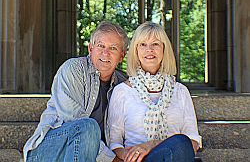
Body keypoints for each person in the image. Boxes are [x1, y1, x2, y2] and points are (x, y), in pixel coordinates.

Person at [23, 21, 129, 162]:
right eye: (101, 46)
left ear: (122, 55)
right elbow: (75, 121)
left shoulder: (124, 84)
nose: (105, 53)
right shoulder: (74, 69)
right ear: (91, 48)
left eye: (113, 48)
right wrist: (112, 159)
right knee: (87, 127)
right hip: (47, 152)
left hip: (89, 155)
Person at [108, 22, 200, 162]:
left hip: (176, 157)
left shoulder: (180, 92)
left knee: (181, 143)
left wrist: (151, 145)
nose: (149, 49)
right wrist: (133, 156)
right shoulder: (122, 92)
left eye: (155, 44)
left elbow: (192, 142)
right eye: (143, 44)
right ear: (136, 51)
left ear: (164, 49)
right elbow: (114, 144)